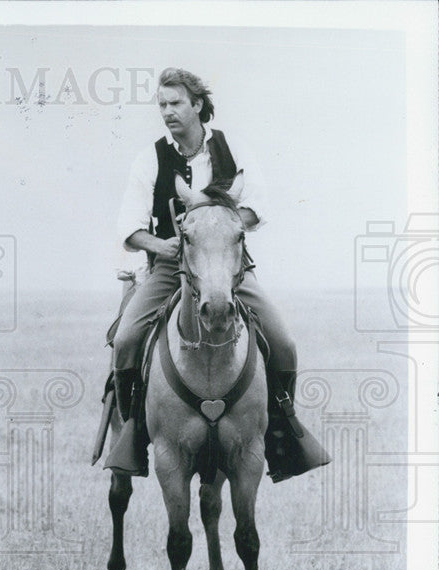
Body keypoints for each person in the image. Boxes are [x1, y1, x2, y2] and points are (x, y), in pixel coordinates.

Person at [107, 66, 326, 482]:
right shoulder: (149, 158)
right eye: (162, 105)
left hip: (229, 264)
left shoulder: (233, 148)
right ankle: (134, 433)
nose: (168, 112)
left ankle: (282, 431)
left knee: (283, 342)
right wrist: (162, 246)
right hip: (172, 265)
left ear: (198, 105)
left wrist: (219, 232)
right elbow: (129, 228)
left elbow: (257, 205)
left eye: (176, 103)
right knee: (126, 340)